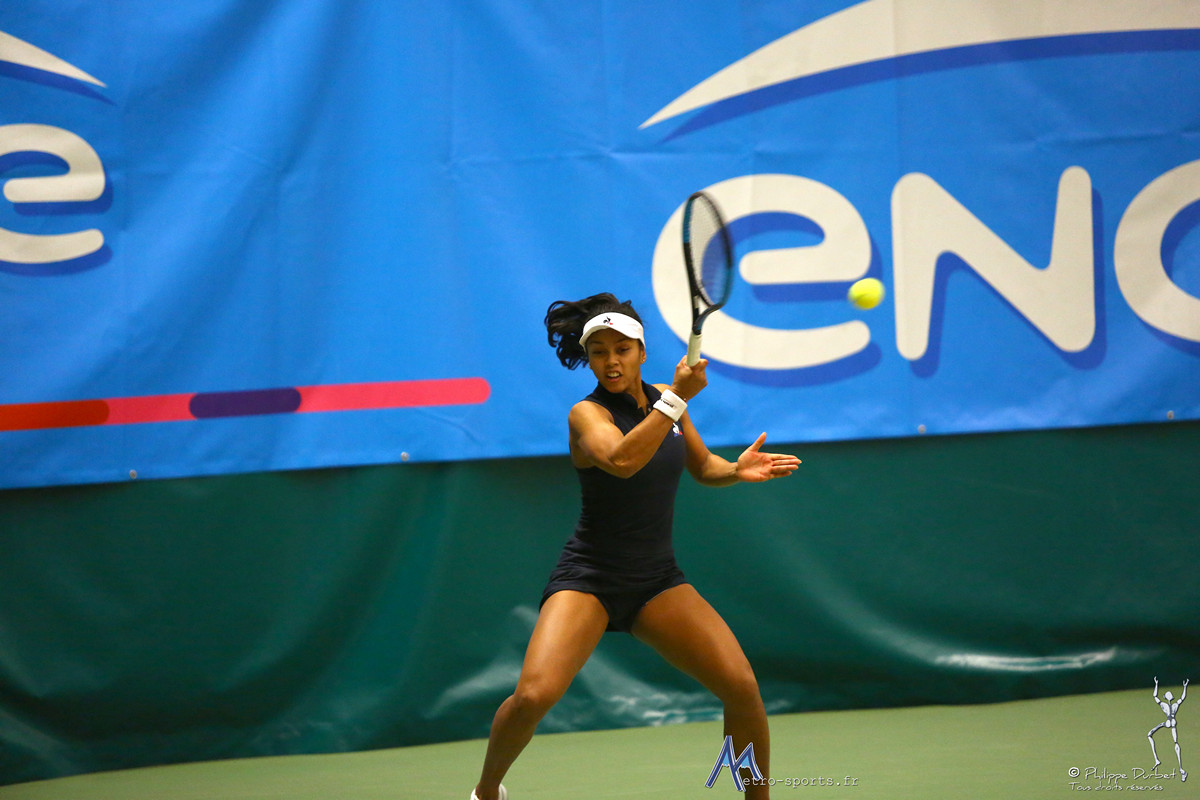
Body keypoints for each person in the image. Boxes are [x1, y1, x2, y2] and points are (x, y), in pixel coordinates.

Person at [470, 292, 801, 800]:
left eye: (622, 349)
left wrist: (735, 469)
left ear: (641, 352)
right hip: (589, 578)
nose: (611, 361)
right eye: (599, 351)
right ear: (589, 359)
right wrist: (675, 401)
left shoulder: (667, 397)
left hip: (656, 581)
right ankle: (487, 791)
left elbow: (702, 466)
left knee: (741, 688)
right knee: (533, 695)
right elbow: (622, 461)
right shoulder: (586, 414)